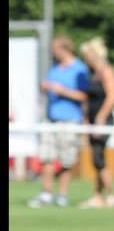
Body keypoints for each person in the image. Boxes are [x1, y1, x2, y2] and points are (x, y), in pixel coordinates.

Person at [28, 35, 90, 208]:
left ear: (64, 49)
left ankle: (62, 194)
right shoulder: (54, 68)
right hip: (51, 118)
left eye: (55, 49)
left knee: (66, 159)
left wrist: (61, 90)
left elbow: (84, 95)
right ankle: (46, 192)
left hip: (70, 119)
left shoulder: (79, 69)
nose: (52, 53)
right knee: (46, 157)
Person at [77, 37, 114, 208]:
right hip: (93, 121)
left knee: (98, 157)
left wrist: (101, 118)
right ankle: (97, 195)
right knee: (97, 158)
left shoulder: (107, 71)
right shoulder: (92, 74)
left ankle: (111, 194)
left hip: (103, 120)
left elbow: (112, 96)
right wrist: (87, 119)